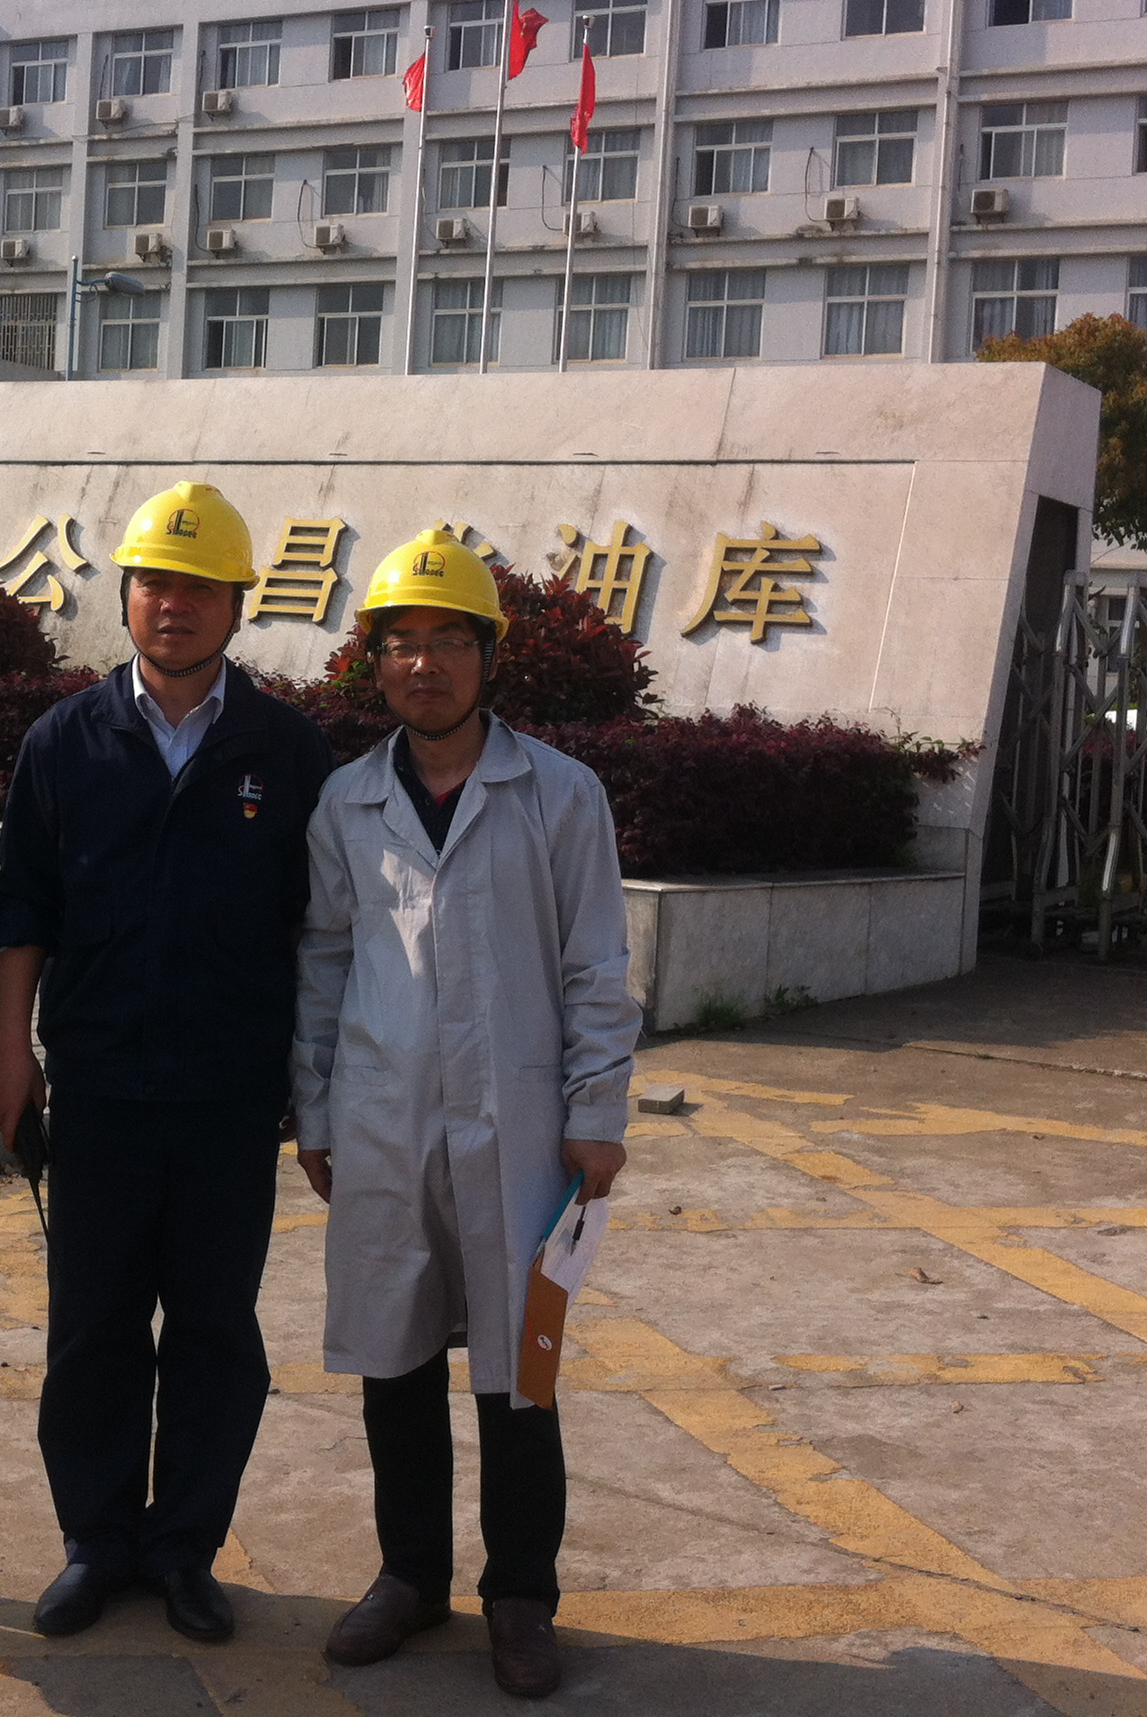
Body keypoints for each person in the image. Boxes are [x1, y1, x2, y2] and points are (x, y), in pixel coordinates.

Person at [289, 528, 639, 1700]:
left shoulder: (559, 794)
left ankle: (521, 1594)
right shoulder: (347, 801)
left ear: (490, 657)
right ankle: (410, 1575)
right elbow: (324, 959)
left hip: (522, 1125)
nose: (423, 664)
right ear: (374, 663)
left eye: (448, 640)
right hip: (383, 1120)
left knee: (517, 1368)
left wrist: (598, 1109)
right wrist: (315, 1108)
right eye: (401, 643)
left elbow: (596, 963)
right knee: (393, 1355)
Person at [0, 480, 334, 1644]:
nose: (172, 605)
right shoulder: (65, 740)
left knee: (215, 1330)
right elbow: (24, 903)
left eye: (197, 587)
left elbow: (317, 927)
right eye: (153, 584)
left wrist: (314, 1083)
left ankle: (184, 1545)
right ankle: (95, 1541)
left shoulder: (287, 749)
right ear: (126, 596)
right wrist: (12, 1051)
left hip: (231, 1094)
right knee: (91, 1325)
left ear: (237, 603)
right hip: (98, 1085)